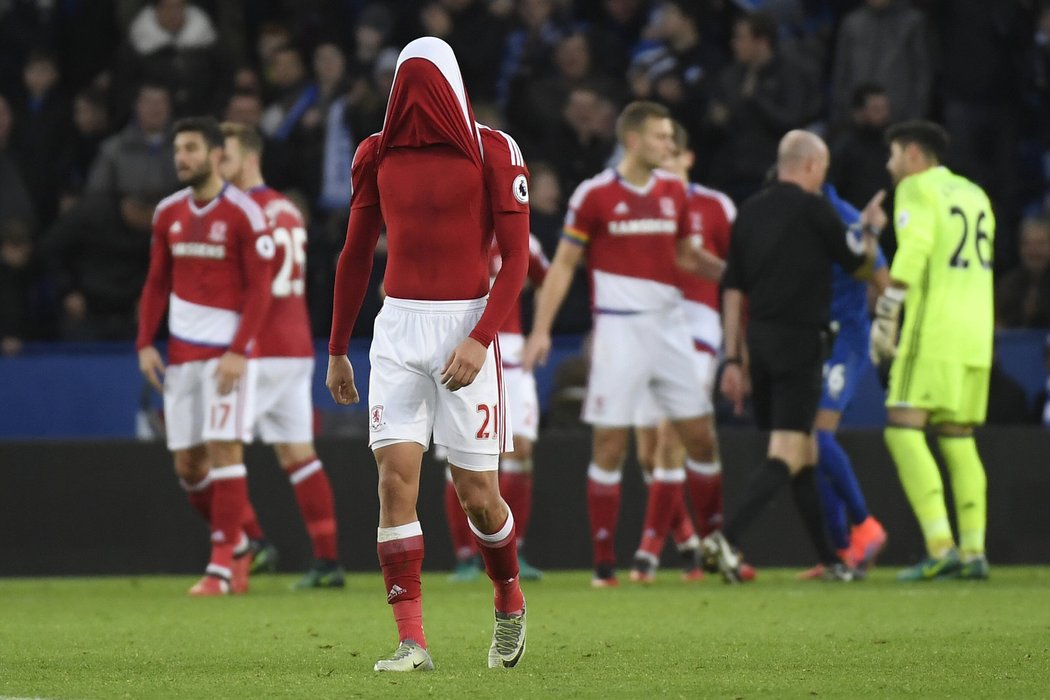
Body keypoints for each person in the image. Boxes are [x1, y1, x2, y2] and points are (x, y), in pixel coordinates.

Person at [326, 37, 530, 672]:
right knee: (393, 483)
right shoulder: (375, 154)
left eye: (424, 79)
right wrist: (337, 348)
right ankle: (412, 641)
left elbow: (518, 259)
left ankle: (508, 600)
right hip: (397, 331)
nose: (413, 93)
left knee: (477, 496)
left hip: (466, 322)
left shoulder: (495, 150)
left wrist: (480, 339)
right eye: (403, 80)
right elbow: (356, 254)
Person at [523, 101, 724, 588]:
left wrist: (734, 277)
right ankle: (605, 563)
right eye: (661, 137)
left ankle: (717, 541)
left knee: (699, 438)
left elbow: (683, 254)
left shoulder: (674, 193)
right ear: (633, 141)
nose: (670, 147)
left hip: (670, 326)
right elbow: (566, 265)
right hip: (618, 329)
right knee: (611, 443)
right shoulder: (595, 195)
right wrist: (542, 328)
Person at [703, 130, 881, 583]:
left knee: (801, 453)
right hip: (801, 342)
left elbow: (732, 290)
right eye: (821, 168)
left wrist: (733, 359)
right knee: (789, 450)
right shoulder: (816, 209)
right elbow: (859, 265)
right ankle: (727, 538)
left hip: (758, 344)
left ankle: (833, 560)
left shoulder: (748, 213)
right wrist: (871, 230)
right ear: (809, 165)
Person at [136, 116, 275, 596]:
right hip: (180, 356)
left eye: (192, 148)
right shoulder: (168, 213)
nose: (183, 157)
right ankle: (237, 543)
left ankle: (219, 567)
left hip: (226, 356)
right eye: (179, 149)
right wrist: (144, 343)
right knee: (189, 466)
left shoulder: (244, 214)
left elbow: (262, 290)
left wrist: (239, 351)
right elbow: (156, 283)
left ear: (216, 154)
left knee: (224, 449)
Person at [219, 122, 344, 589]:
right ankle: (328, 561)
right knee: (299, 454)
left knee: (213, 448)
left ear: (250, 156)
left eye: (224, 155)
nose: (217, 165)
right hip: (295, 346)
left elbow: (249, 289)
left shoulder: (244, 213)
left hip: (259, 349)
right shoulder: (288, 210)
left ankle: (250, 541)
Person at [870, 120, 994, 581]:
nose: (890, 165)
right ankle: (974, 549)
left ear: (914, 155)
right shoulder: (975, 194)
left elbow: (917, 247)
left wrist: (889, 309)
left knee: (901, 428)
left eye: (894, 155)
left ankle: (940, 544)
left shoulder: (917, 188)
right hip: (976, 333)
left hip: (933, 329)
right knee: (958, 438)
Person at [629, 120, 738, 583]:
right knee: (648, 451)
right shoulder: (641, 208)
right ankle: (693, 544)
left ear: (687, 159)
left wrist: (737, 350)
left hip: (697, 326)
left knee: (673, 436)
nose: (665, 163)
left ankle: (647, 554)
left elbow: (738, 280)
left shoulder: (715, 206)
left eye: (672, 156)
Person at [797, 182, 890, 581]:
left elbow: (881, 278)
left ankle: (865, 525)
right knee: (810, 445)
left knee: (817, 435)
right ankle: (838, 553)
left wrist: (888, 328)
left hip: (845, 341)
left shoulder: (849, 218)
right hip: (811, 340)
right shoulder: (799, 215)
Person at [446, 233, 551, 583]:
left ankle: (515, 548)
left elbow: (549, 281)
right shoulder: (450, 229)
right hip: (462, 348)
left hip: (510, 350)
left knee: (520, 448)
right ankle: (465, 556)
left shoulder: (522, 239)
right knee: (457, 453)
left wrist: (540, 331)